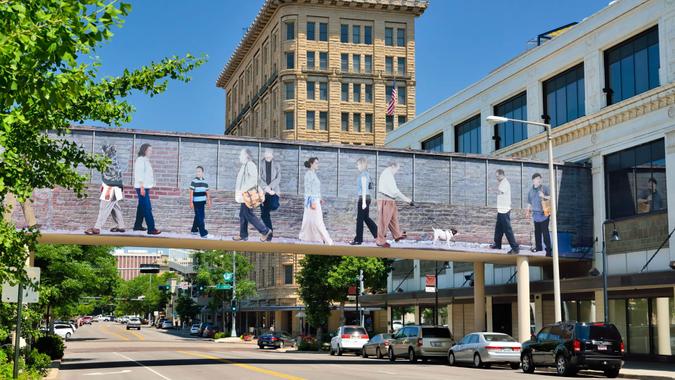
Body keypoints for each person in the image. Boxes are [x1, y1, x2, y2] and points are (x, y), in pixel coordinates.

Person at [86, 144, 125, 235]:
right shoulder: (115, 161)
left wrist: (105, 185)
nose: (102, 153)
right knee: (115, 207)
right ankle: (121, 226)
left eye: (103, 151)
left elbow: (108, 175)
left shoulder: (108, 161)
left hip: (111, 187)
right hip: (117, 186)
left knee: (104, 207)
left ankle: (97, 228)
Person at [234, 149, 272, 242]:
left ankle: (265, 231)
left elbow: (253, 180)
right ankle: (243, 235)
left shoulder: (250, 165)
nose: (239, 156)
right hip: (244, 195)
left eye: (241, 155)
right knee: (242, 214)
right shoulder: (245, 165)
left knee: (248, 214)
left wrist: (243, 190)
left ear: (246, 156)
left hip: (247, 195)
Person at [376, 162, 413, 248]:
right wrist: (407, 200)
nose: (396, 171)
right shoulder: (387, 174)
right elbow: (395, 191)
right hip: (385, 199)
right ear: (392, 166)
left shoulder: (388, 174)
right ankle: (380, 241)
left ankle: (397, 235)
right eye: (397, 169)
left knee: (393, 219)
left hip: (390, 200)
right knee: (383, 221)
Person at [299, 157, 333, 245]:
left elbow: (315, 189)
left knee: (309, 220)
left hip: (316, 200)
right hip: (312, 201)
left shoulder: (314, 174)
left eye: (318, 163)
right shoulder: (308, 174)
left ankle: (317, 239)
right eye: (316, 163)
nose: (318, 165)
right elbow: (308, 189)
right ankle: (328, 241)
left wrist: (320, 198)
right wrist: (312, 201)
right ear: (311, 164)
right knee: (318, 221)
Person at [133, 143, 161, 235]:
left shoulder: (146, 160)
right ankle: (151, 229)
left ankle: (137, 226)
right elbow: (139, 174)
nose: (151, 152)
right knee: (147, 208)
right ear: (144, 150)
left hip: (145, 187)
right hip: (142, 187)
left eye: (151, 151)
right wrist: (142, 187)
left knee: (141, 207)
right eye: (149, 150)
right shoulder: (140, 160)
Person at [349, 158, 377, 245]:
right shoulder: (367, 174)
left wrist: (364, 202)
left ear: (362, 165)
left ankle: (358, 240)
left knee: (360, 220)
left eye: (358, 164)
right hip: (366, 198)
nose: (357, 166)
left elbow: (364, 188)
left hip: (363, 198)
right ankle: (378, 234)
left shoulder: (363, 175)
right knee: (366, 218)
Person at [490, 169, 518, 254]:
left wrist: (492, 190)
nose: (497, 178)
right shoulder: (502, 183)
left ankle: (515, 248)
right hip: (501, 209)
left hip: (505, 210)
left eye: (497, 176)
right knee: (498, 228)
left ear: (501, 175)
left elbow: (500, 192)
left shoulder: (505, 183)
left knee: (507, 229)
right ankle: (497, 244)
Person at [526, 173, 551, 254]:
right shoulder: (530, 191)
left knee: (545, 232)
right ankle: (539, 248)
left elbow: (551, 197)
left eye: (540, 179)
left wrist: (544, 196)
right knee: (537, 233)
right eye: (537, 179)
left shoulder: (545, 188)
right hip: (536, 215)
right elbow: (529, 202)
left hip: (544, 214)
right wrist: (527, 211)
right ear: (533, 181)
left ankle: (548, 249)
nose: (539, 180)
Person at [259, 148, 281, 237]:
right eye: (266, 152)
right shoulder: (260, 164)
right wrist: (266, 188)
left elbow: (278, 178)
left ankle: (268, 233)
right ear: (264, 154)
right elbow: (258, 178)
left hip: (273, 191)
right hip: (264, 192)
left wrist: (270, 187)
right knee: (264, 214)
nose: (267, 154)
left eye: (269, 152)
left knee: (274, 205)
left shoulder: (277, 164)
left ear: (272, 154)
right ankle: (269, 233)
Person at [189, 166, 211, 238]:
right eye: (197, 171)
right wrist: (191, 202)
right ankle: (203, 233)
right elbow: (191, 192)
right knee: (201, 217)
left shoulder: (205, 182)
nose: (198, 173)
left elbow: (207, 192)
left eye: (199, 171)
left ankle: (194, 230)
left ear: (202, 172)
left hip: (202, 202)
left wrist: (208, 201)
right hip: (196, 202)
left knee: (198, 216)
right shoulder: (194, 181)